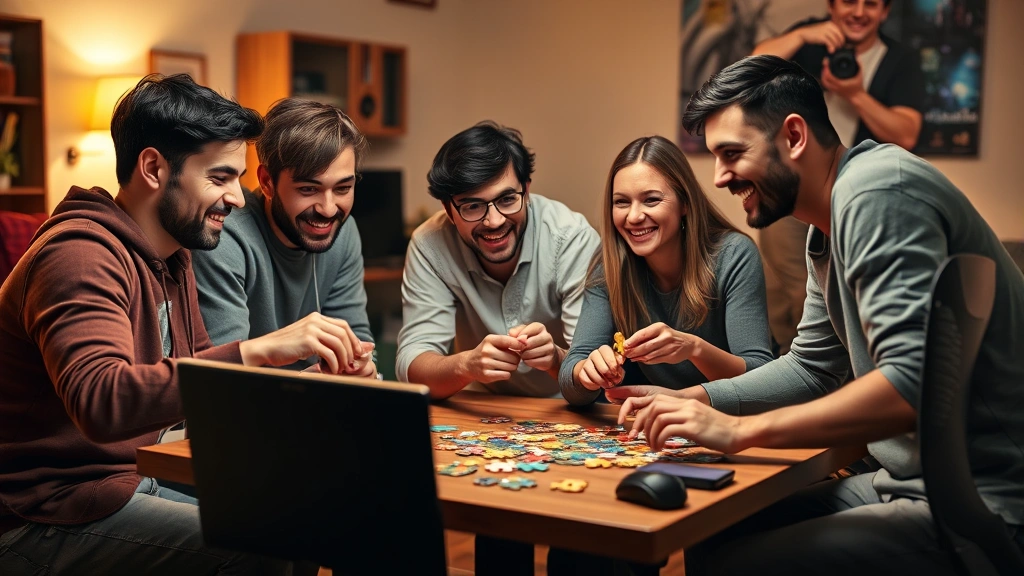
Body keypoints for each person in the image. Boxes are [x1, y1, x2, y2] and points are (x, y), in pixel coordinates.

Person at [613, 55, 1024, 575]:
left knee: (732, 562)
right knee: (713, 529)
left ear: (793, 136)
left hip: (983, 501)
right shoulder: (826, 225)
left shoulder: (876, 192)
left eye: (732, 153)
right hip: (904, 482)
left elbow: (912, 383)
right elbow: (811, 367)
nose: (718, 178)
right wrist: (695, 397)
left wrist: (737, 431)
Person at [0, 75, 362, 575]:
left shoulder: (172, 258)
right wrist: (261, 350)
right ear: (153, 168)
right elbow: (102, 401)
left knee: (311, 511)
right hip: (40, 513)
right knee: (270, 539)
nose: (236, 199)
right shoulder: (79, 255)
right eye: (219, 178)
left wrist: (317, 385)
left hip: (123, 483)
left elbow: (211, 396)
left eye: (237, 178)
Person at [752, 0, 925, 354]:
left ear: (885, 12)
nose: (859, 12)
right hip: (793, 192)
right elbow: (753, 65)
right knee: (786, 291)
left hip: (863, 197)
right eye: (848, 1)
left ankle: (840, 380)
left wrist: (855, 94)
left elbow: (906, 134)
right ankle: (795, 373)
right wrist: (802, 35)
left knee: (847, 293)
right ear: (831, 6)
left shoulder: (900, 59)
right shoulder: (809, 42)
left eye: (871, 4)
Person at [560, 135, 773, 406]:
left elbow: (761, 379)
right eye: (622, 202)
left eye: (651, 200)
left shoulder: (734, 255)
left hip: (731, 424)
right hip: (662, 428)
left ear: (684, 203)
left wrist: (693, 348)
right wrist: (586, 373)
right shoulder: (609, 264)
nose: (634, 216)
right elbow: (571, 378)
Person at [396, 121, 600, 400]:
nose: (494, 221)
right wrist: (466, 365)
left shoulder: (571, 238)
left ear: (526, 191)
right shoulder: (430, 244)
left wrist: (554, 358)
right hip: (479, 406)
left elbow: (594, 376)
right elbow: (413, 366)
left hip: (564, 406)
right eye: (473, 206)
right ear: (448, 209)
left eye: (506, 199)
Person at [193, 98, 376, 376]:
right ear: (267, 182)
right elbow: (221, 375)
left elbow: (356, 340)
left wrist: (360, 367)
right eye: (308, 189)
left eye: (342, 188)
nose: (328, 209)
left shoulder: (343, 230)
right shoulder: (225, 235)